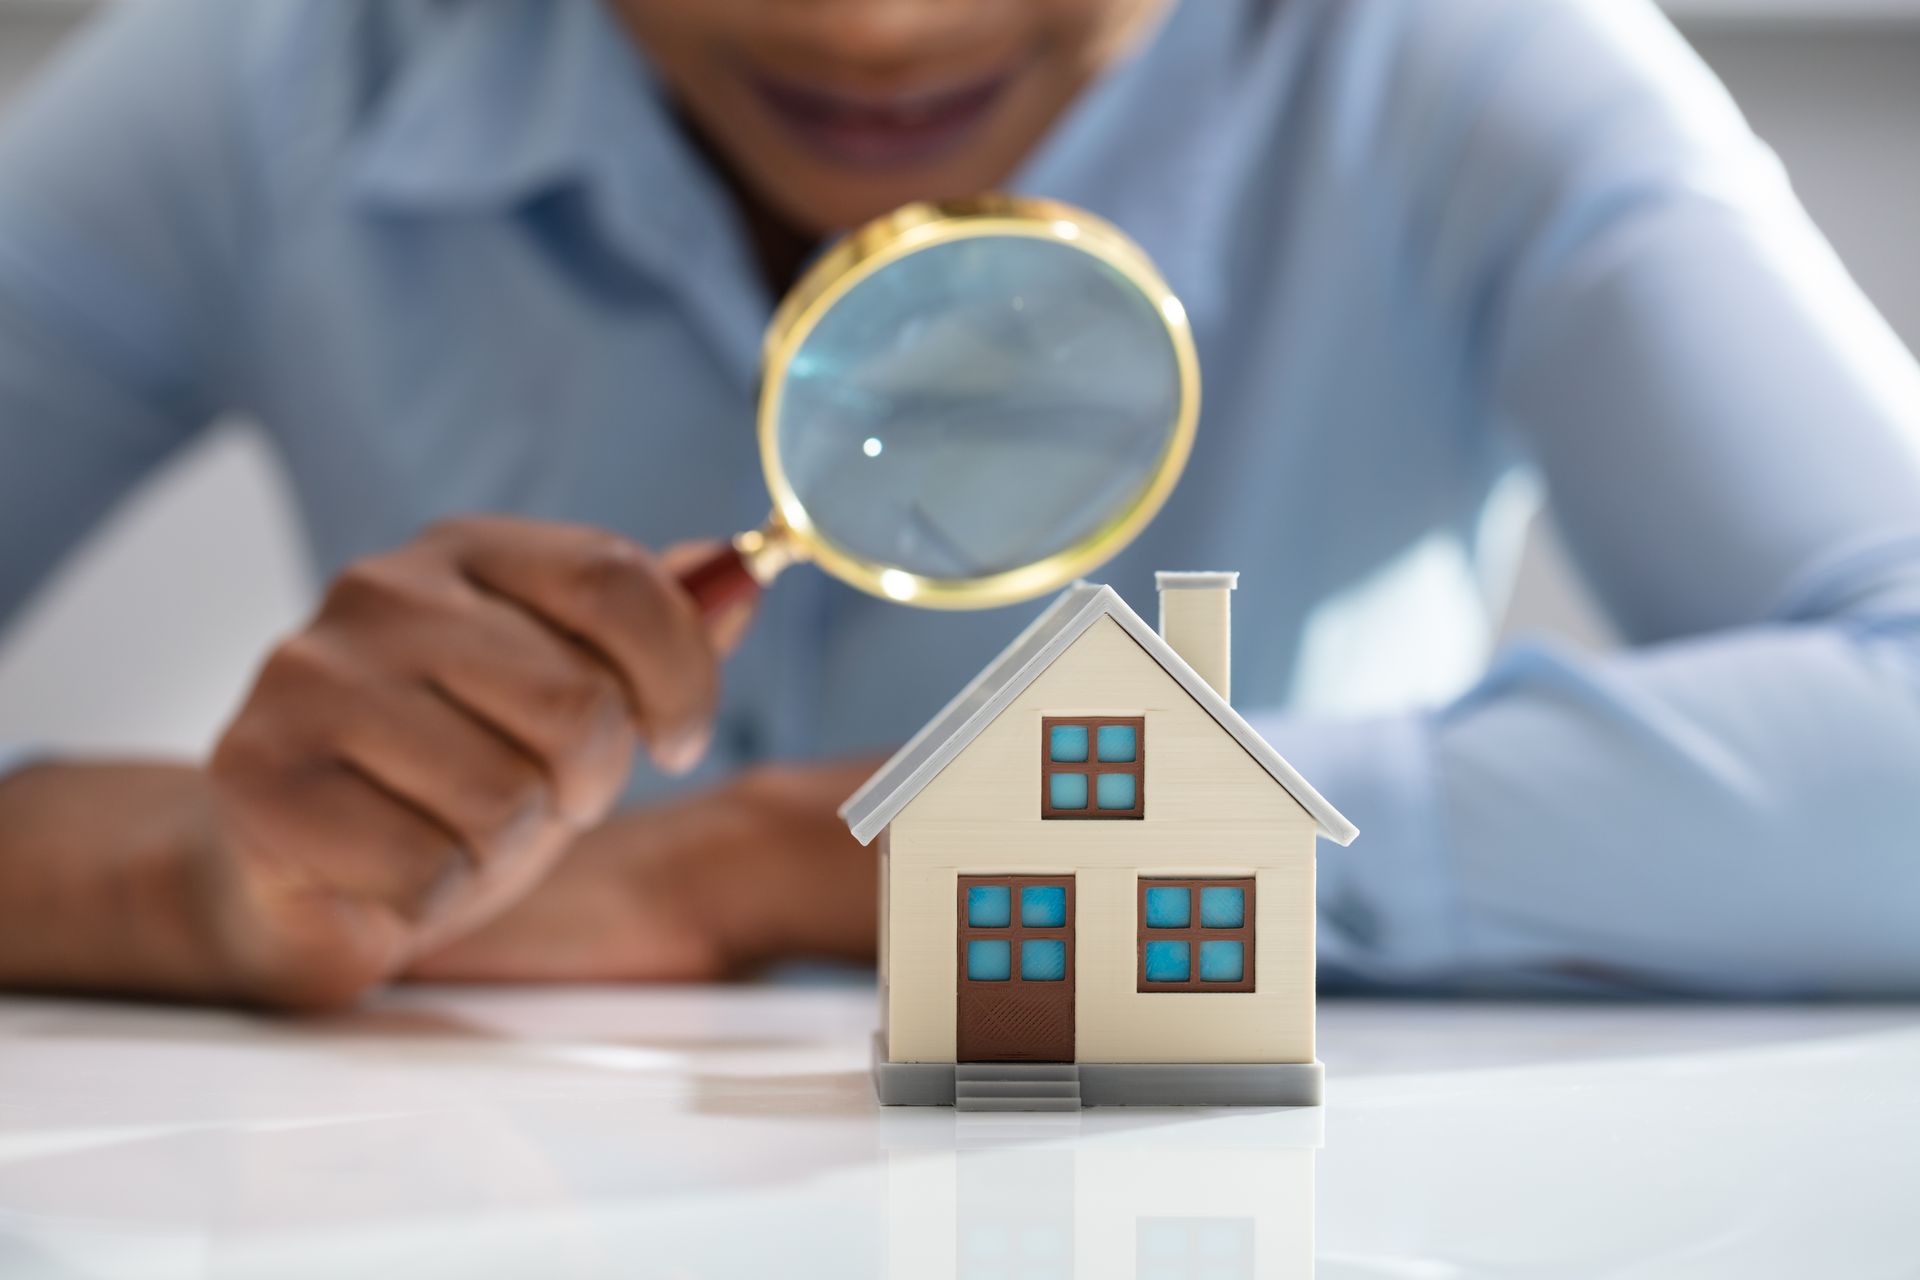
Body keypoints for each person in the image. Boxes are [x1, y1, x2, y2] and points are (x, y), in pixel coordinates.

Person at [1, 0, 1916, 1009]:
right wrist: (206, 882)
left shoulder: (1453, 55)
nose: (872, 29)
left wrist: (771, 857)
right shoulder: (275, 62)